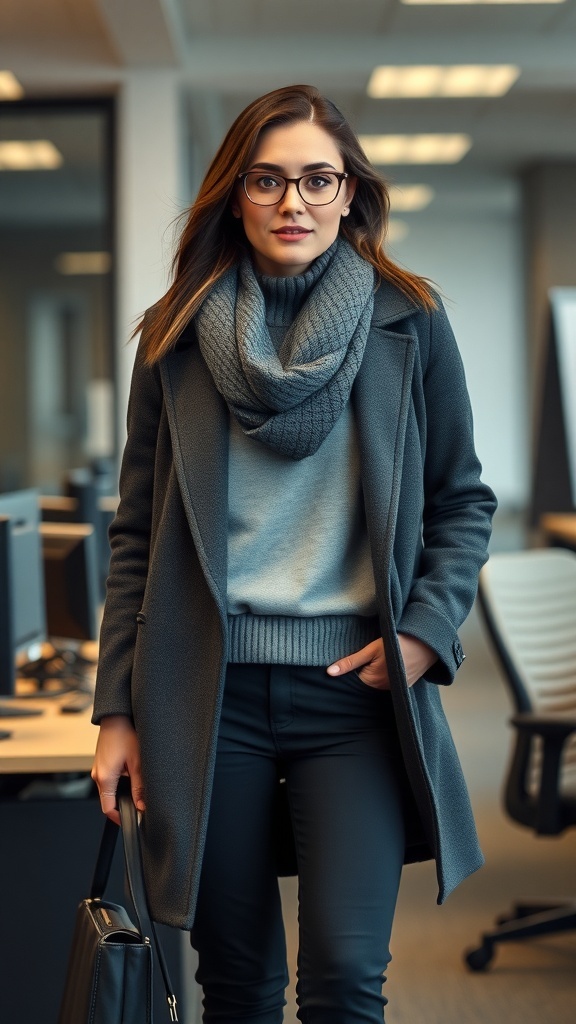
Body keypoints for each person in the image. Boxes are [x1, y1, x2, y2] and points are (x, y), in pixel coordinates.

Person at [91, 84, 497, 1024]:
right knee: (235, 983)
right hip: (208, 692)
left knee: (348, 977)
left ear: (351, 192)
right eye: (267, 180)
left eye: (318, 179)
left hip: (354, 692)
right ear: (235, 194)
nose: (293, 203)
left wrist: (428, 633)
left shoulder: (410, 323)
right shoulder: (177, 336)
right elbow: (134, 534)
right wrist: (117, 708)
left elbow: (462, 501)